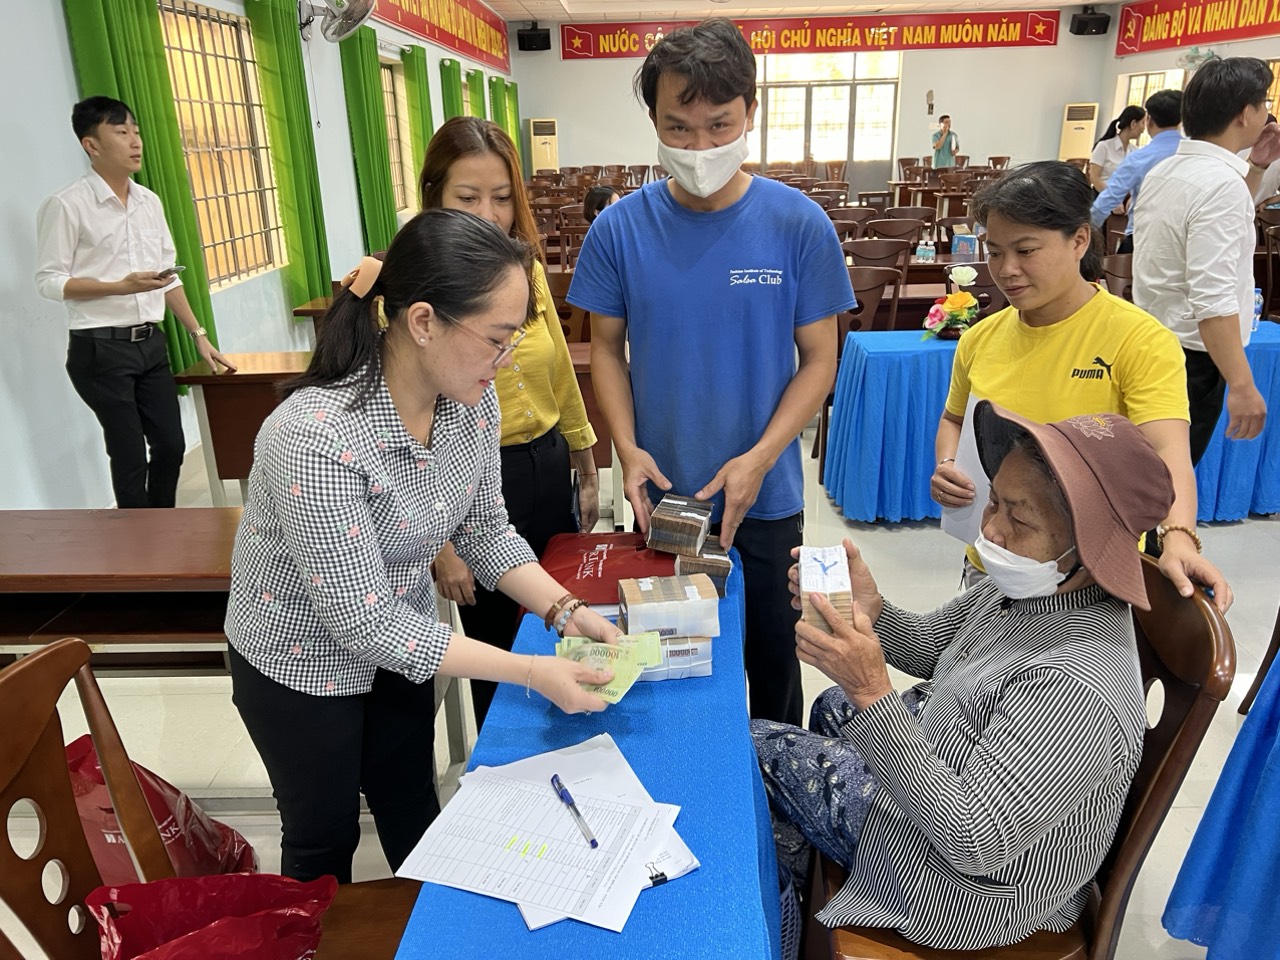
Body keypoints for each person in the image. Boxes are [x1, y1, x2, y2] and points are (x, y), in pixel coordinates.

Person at [224, 209, 621, 884]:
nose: (504, 364)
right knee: (323, 838)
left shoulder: (469, 400)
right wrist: (529, 671)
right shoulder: (314, 437)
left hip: (400, 643)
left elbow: (487, 532)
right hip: (298, 659)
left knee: (411, 803)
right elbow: (362, 621)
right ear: (424, 321)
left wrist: (566, 612)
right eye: (497, 341)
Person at [755, 402, 1173, 951]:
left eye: (1019, 519)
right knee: (834, 703)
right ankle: (801, 870)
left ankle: (775, 933)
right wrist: (873, 609)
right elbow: (939, 651)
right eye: (993, 501)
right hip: (953, 768)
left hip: (969, 884)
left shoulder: (1076, 684)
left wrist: (872, 691)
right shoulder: (1027, 586)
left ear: (1090, 552)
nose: (992, 531)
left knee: (761, 747)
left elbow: (970, 837)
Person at [569, 18, 854, 726]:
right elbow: (605, 348)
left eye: (719, 125)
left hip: (767, 493)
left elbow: (821, 359)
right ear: (654, 121)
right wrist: (626, 450)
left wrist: (760, 458)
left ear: (751, 114)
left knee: (772, 664)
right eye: (680, 127)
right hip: (660, 493)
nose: (700, 148)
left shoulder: (798, 224)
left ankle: (780, 805)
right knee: (672, 664)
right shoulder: (619, 229)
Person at [930, 161, 1231, 612]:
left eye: (1026, 251)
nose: (1007, 269)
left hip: (1089, 573)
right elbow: (954, 418)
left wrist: (1180, 537)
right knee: (977, 676)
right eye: (994, 252)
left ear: (1079, 240)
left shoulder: (1137, 339)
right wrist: (948, 463)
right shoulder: (981, 337)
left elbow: (1168, 452)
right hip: (993, 559)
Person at [417, 117, 600, 728]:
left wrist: (583, 454)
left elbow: (560, 370)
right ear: (435, 196)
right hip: (462, 490)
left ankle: (572, 745)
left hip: (542, 464)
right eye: (467, 198)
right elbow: (401, 439)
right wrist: (441, 544)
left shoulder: (525, 270)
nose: (488, 214)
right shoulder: (416, 291)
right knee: (495, 647)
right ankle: (503, 779)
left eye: (501, 198)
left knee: (559, 617)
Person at [34, 96, 235, 508]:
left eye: (137, 132)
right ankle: (140, 554)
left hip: (150, 344)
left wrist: (198, 334)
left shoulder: (150, 202)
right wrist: (117, 287)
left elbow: (167, 277)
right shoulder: (67, 204)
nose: (135, 141)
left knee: (171, 446)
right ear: (91, 145)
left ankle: (160, 528)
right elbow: (49, 281)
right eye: (121, 132)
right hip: (100, 347)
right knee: (128, 457)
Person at [1133, 57, 1280, 465]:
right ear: (1244, 113)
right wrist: (1243, 384)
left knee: (1150, 476)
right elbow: (1211, 297)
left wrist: (1257, 167)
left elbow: (1211, 232)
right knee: (1166, 482)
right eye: (1264, 102)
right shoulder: (1219, 185)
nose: (1267, 112)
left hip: (1155, 342)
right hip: (1194, 360)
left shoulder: (1169, 170)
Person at [1090, 90, 1183, 255]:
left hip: (1144, 239)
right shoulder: (1196, 154)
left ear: (1148, 120)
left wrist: (1085, 233)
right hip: (1185, 240)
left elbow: (1108, 200)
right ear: (1181, 120)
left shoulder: (1139, 157)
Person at [1087, 105, 1146, 193]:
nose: (1144, 128)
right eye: (1143, 123)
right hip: (1102, 197)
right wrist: (1111, 198)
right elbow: (1094, 177)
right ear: (1133, 124)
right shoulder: (1104, 146)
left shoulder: (1135, 150)